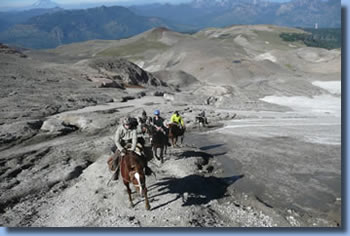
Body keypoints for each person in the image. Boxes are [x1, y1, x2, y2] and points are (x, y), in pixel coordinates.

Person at [108, 116, 151, 180]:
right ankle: (116, 172)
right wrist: (121, 149)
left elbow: (134, 139)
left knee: (142, 153)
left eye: (129, 124)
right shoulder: (120, 129)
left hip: (131, 143)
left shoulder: (133, 129)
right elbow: (116, 140)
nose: (128, 126)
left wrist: (133, 149)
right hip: (122, 143)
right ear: (124, 124)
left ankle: (146, 167)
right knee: (116, 156)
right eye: (126, 124)